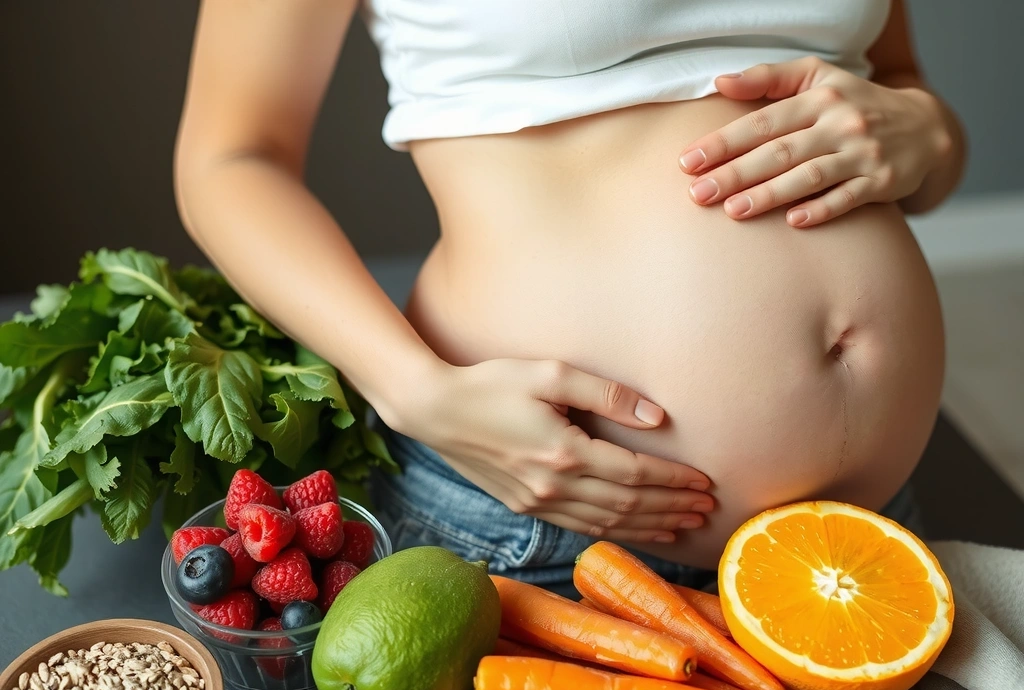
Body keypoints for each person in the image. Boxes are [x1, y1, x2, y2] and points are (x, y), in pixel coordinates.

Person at [174, 0, 964, 595]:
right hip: (550, 530)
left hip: (861, 536)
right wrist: (411, 390)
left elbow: (896, 85)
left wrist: (923, 128)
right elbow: (230, 157)